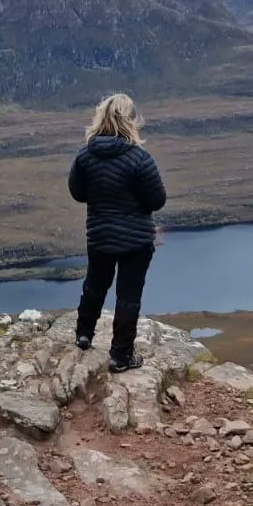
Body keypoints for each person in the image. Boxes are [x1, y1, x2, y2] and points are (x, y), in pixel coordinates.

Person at [68, 93, 166, 372]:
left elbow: (77, 193)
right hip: (136, 241)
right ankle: (121, 356)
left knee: (95, 285)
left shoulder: (85, 155)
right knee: (128, 295)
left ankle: (84, 335)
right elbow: (157, 200)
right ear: (131, 120)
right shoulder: (139, 158)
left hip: (100, 236)